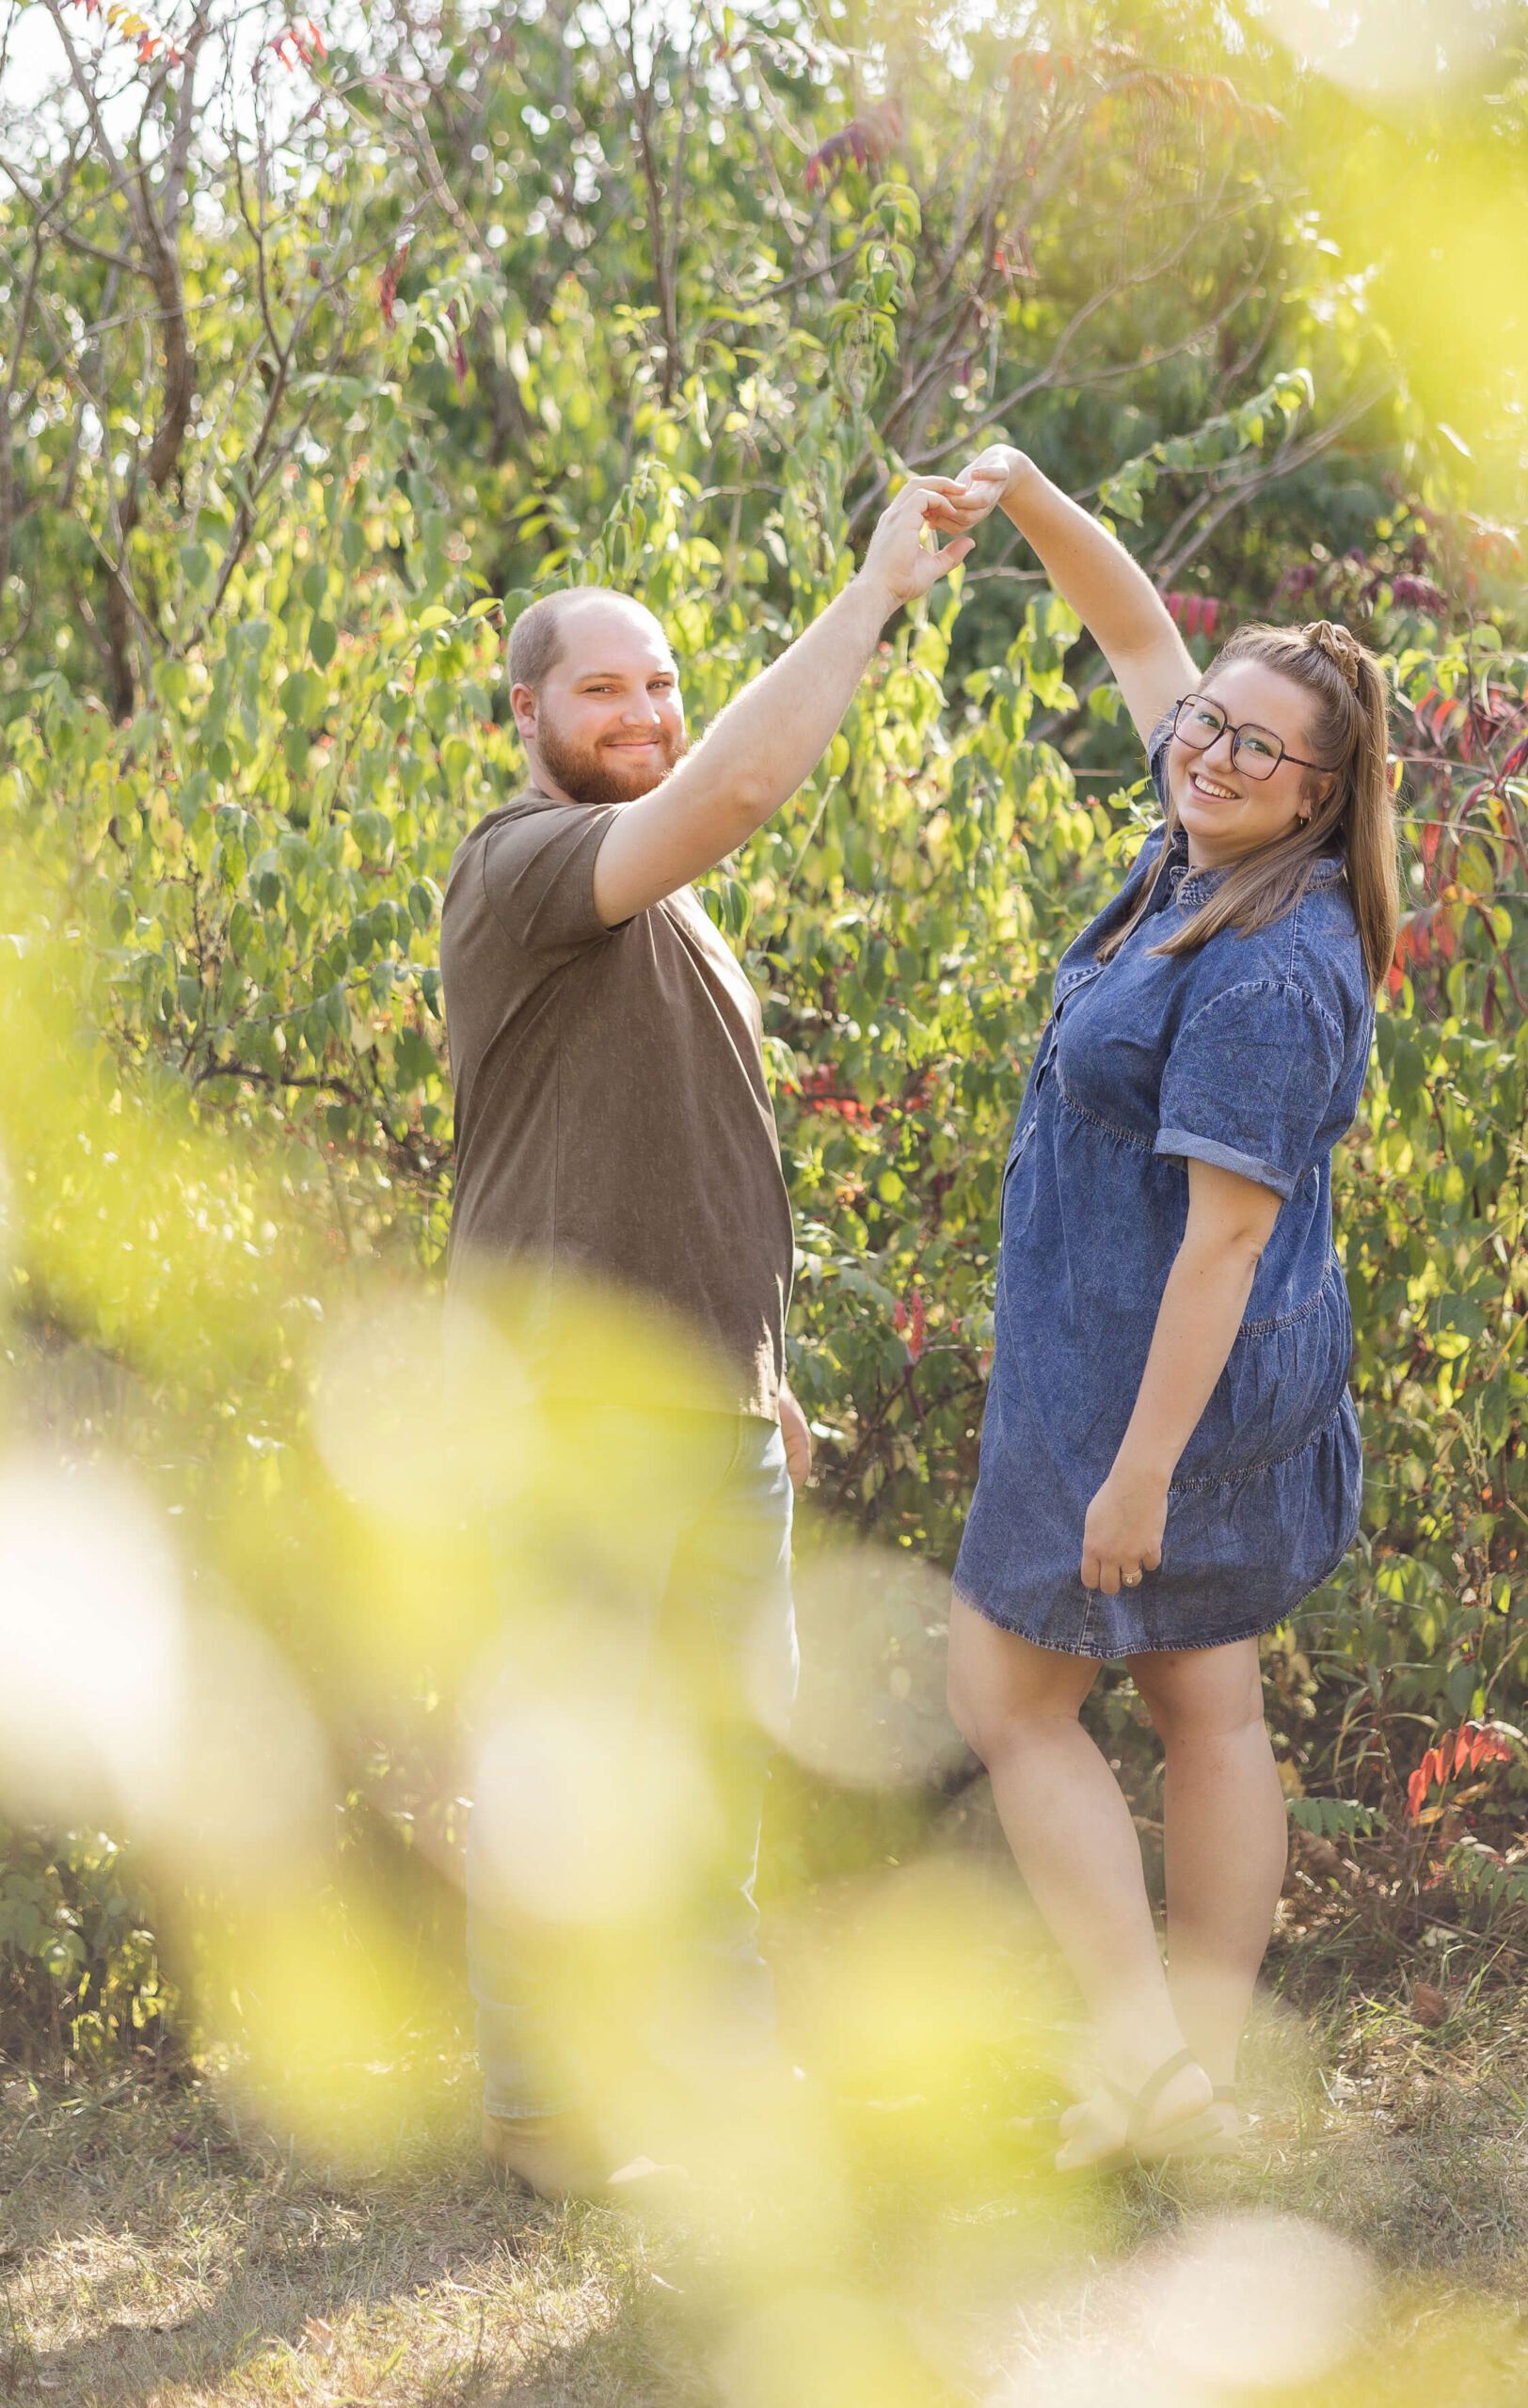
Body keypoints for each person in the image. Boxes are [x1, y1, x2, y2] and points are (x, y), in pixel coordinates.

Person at [438, 475, 974, 2202]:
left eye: (663, 683)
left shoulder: (676, 917)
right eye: (606, 689)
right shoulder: (522, 870)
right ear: (525, 714)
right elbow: (746, 780)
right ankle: (541, 2118)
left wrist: (773, 1376)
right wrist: (879, 591)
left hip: (723, 1422)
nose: (647, 714)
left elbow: (673, 1150)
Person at [928, 449, 1397, 2175]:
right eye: (1209, 722)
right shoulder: (1202, 845)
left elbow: (1221, 1247)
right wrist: (1028, 492)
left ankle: (1152, 2057)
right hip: (1136, 1376)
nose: (1208, 747)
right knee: (1211, 1704)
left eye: (1257, 747)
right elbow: (1135, 625)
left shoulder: (1275, 963)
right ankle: (1191, 2066)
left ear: (1321, 794)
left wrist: (1133, 1477)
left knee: (1011, 1697)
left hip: (1161, 1397)